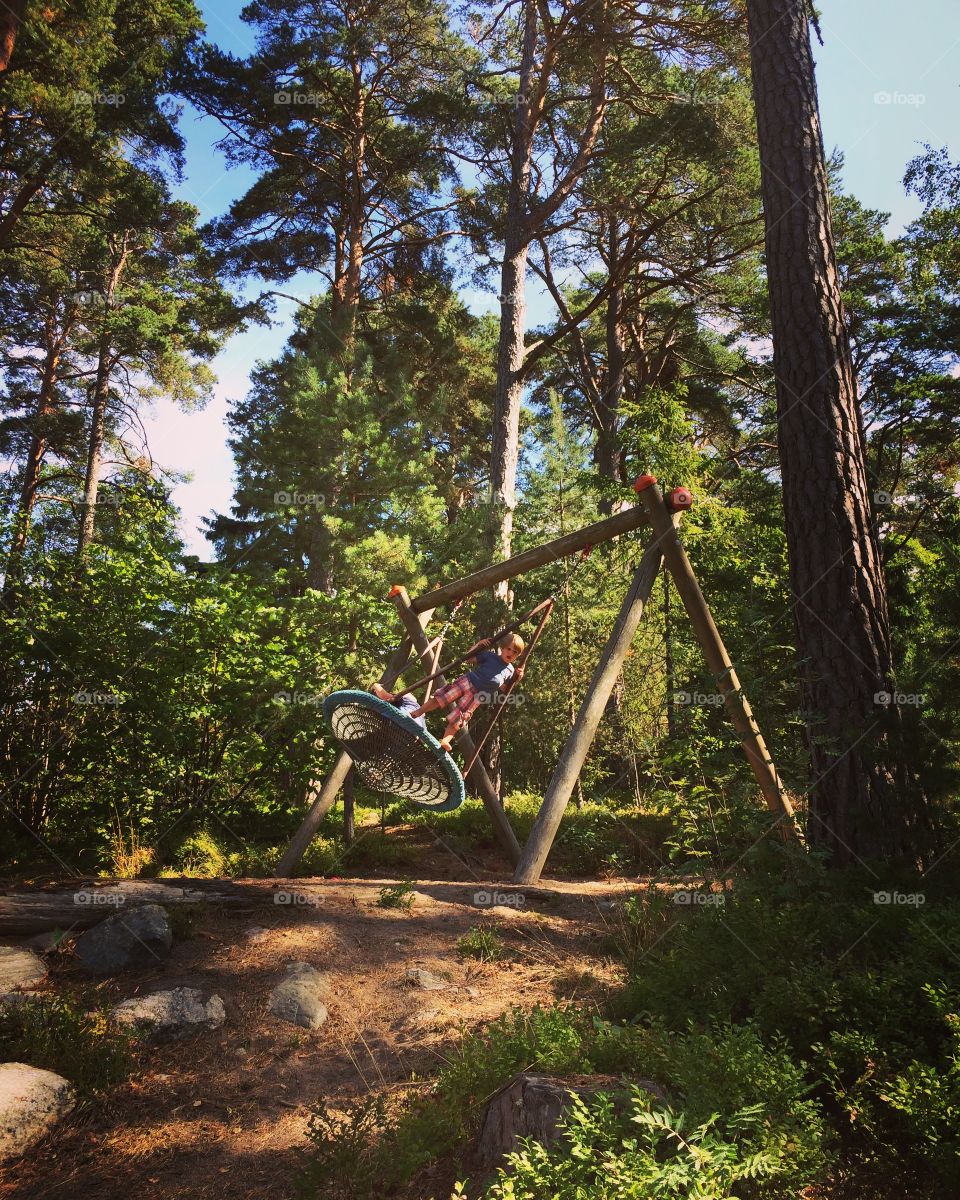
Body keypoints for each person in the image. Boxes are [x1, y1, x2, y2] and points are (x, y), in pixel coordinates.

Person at [373, 632, 525, 751]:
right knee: (442, 698)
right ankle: (417, 712)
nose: (510, 653)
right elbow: (468, 658)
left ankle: (445, 740)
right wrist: (478, 645)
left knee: (460, 717)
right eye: (508, 649)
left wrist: (516, 679)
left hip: (479, 695)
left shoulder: (510, 671)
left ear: (518, 655)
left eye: (515, 652)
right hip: (468, 681)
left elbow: (505, 689)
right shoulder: (490, 656)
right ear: (502, 648)